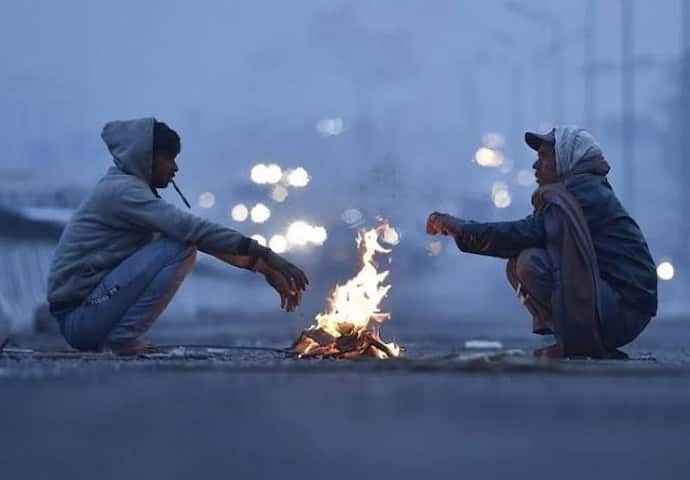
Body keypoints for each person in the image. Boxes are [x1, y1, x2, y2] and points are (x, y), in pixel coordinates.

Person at [47, 117, 308, 355]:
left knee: (184, 242)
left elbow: (205, 240)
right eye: (169, 158)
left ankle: (120, 337)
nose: (175, 168)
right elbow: (193, 232)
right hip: (81, 318)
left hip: (87, 315)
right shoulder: (124, 192)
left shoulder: (127, 188)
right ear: (146, 157)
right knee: (180, 246)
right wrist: (268, 255)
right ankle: (122, 339)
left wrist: (262, 267)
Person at [426, 126, 657, 358]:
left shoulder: (582, 193)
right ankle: (576, 341)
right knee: (518, 262)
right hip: (616, 302)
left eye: (544, 156)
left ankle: (580, 344)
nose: (536, 165)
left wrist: (462, 228)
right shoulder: (574, 190)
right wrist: (463, 230)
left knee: (530, 262)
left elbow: (525, 233)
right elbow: (528, 232)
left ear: (567, 159)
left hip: (626, 308)